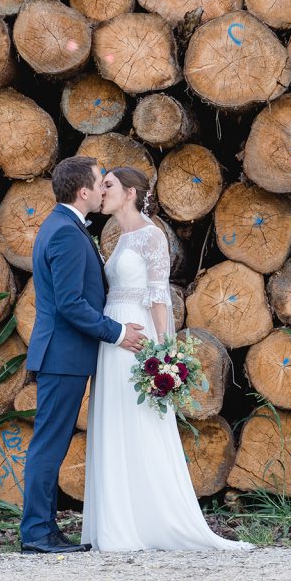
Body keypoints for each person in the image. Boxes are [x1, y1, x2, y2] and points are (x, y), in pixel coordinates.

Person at [81, 166, 253, 552]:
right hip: (114, 337)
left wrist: (165, 353)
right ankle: (118, 520)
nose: (100, 191)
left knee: (141, 421)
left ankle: (153, 519)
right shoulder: (120, 237)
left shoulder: (151, 236)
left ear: (129, 193)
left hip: (137, 335)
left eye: (107, 186)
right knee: (115, 419)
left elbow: (159, 297)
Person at [19, 156, 147, 554]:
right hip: (63, 355)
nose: (104, 188)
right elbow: (72, 304)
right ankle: (37, 533)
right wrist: (118, 332)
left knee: (50, 443)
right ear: (83, 191)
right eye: (99, 182)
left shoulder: (64, 227)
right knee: (49, 445)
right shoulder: (66, 234)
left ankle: (46, 529)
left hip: (64, 355)